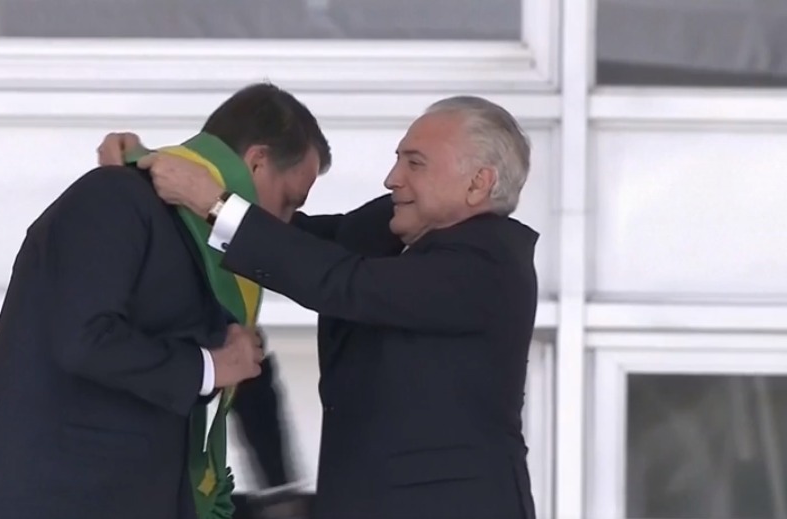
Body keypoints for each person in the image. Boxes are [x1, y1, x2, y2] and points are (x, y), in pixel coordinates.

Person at [125, 95, 540, 519]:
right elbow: (294, 243)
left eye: (415, 163)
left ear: (478, 183)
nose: (391, 179)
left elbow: (339, 281)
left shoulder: (491, 264)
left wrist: (213, 203)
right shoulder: (392, 229)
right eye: (398, 160)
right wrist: (150, 175)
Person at [0, 82, 336, 519]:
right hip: (47, 495)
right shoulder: (114, 196)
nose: (282, 225)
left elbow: (241, 361)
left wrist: (280, 492)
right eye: (288, 202)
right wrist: (207, 367)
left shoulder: (208, 240)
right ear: (256, 161)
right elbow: (84, 338)